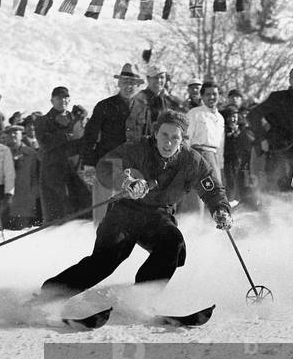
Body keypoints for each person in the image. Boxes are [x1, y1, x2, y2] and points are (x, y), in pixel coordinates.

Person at [39, 110, 233, 301]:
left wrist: (221, 210)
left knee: (173, 244)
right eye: (164, 135)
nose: (168, 142)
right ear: (155, 133)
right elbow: (107, 166)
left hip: (159, 214)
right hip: (125, 211)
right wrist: (126, 182)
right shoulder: (137, 148)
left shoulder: (192, 161)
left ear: (182, 140)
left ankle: (140, 298)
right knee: (106, 260)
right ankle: (52, 293)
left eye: (175, 138)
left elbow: (212, 190)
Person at [79, 62, 145, 224]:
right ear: (119, 83)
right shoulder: (104, 106)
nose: (129, 86)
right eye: (125, 82)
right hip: (107, 166)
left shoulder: (144, 108)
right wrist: (88, 164)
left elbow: (148, 137)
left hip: (134, 168)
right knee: (103, 216)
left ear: (138, 86)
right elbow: (90, 136)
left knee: (133, 216)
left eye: (133, 83)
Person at [248, 66, 293, 194]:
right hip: (279, 151)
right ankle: (274, 213)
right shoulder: (278, 97)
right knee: (277, 185)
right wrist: (262, 138)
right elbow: (253, 115)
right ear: (289, 80)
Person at [35, 85, 90, 223]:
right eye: (58, 98)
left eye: (65, 97)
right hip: (53, 171)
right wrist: (68, 132)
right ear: (52, 100)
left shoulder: (77, 118)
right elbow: (45, 143)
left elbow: (84, 141)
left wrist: (82, 120)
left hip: (75, 170)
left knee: (84, 213)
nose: (62, 101)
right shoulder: (43, 121)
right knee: (58, 215)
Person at [1, 124, 41, 229]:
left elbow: (35, 176)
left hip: (24, 199)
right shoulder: (0, 153)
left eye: (16, 133)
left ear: (21, 136)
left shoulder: (31, 153)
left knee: (22, 231)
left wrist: (33, 196)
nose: (13, 135)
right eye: (10, 133)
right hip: (4, 198)